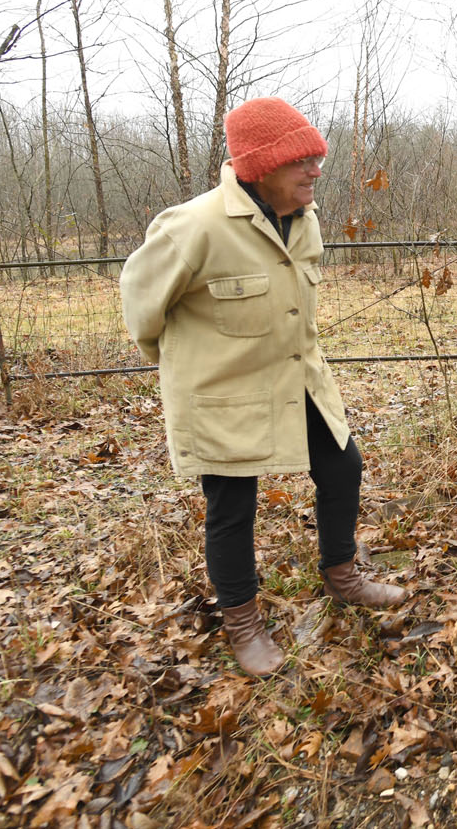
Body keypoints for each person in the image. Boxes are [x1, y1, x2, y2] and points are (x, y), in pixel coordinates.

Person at [120, 97, 406, 677]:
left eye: (317, 158)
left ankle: (342, 575)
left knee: (342, 467)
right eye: (301, 160)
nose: (315, 170)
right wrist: (186, 367)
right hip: (223, 394)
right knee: (233, 508)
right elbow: (141, 309)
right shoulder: (193, 227)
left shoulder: (305, 219)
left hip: (297, 380)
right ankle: (243, 624)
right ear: (261, 166)